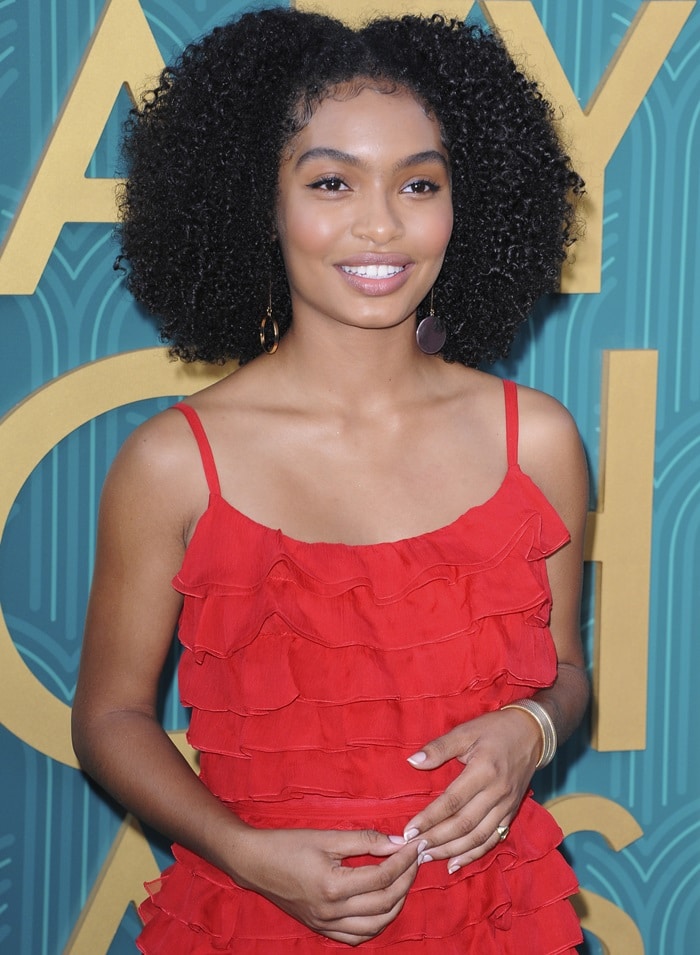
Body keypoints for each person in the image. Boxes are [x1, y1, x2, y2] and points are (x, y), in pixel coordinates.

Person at [72, 7, 590, 953]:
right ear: (256, 201)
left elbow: (566, 676)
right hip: (254, 919)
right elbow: (108, 716)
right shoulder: (174, 462)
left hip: (495, 919)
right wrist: (243, 852)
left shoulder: (538, 442)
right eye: (331, 181)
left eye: (419, 182)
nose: (381, 221)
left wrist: (534, 731)